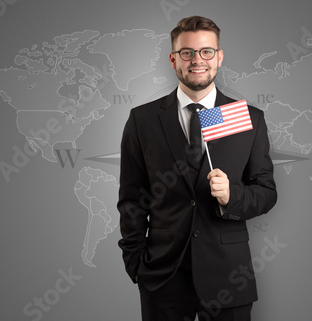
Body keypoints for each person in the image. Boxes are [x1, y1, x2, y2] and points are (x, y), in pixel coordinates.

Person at [117, 15, 277, 321]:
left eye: (206, 52)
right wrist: (135, 264)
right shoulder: (143, 120)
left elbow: (267, 192)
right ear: (173, 59)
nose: (197, 60)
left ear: (219, 58)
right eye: (187, 52)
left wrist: (232, 196)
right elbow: (132, 200)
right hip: (162, 276)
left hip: (229, 275)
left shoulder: (246, 118)